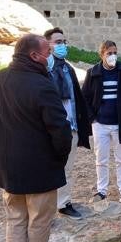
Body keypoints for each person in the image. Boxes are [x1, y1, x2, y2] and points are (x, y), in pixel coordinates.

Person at [0, 34, 73, 242]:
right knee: (39, 222)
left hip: (9, 169)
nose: (50, 56)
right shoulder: (42, 85)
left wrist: (10, 139)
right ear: (34, 56)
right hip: (41, 169)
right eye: (47, 52)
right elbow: (60, 130)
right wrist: (59, 157)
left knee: (15, 220)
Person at [82, 40, 121, 204]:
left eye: (115, 52)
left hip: (120, 122)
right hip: (100, 123)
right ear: (102, 54)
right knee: (101, 158)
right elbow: (85, 98)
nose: (113, 56)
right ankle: (101, 191)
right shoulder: (93, 72)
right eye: (109, 53)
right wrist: (91, 118)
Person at [44, 27, 91, 220]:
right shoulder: (43, 69)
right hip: (49, 129)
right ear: (47, 45)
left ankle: (63, 203)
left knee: (67, 168)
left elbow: (75, 99)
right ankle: (45, 209)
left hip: (70, 127)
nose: (63, 45)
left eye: (64, 42)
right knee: (47, 168)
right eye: (58, 42)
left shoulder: (67, 68)